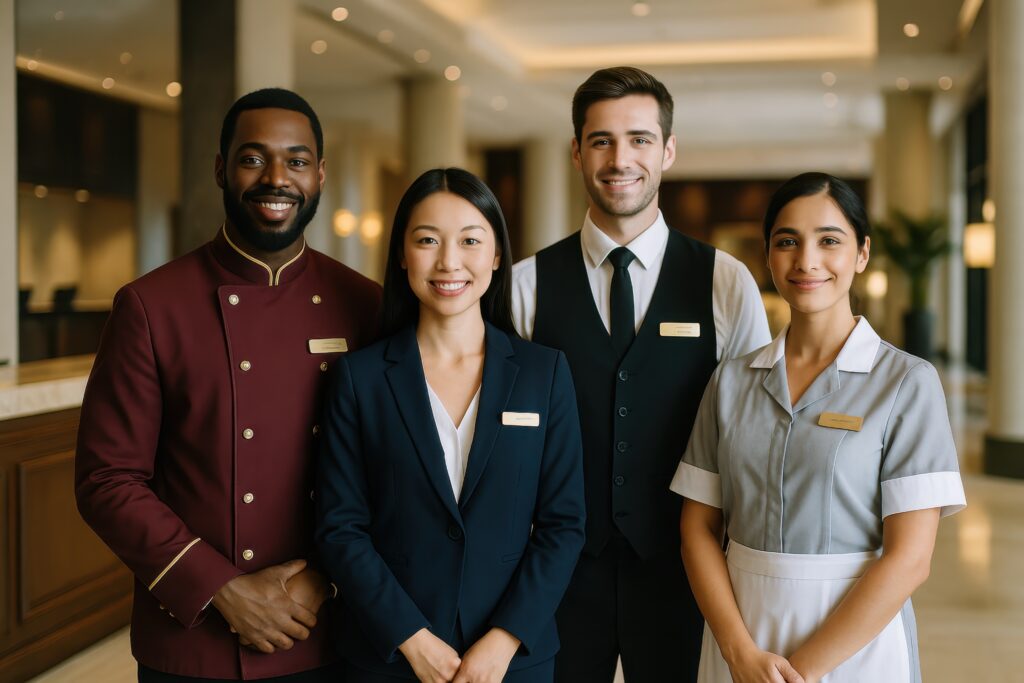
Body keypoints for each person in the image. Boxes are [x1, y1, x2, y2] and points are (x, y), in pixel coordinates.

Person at [75, 88, 382, 682]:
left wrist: (327, 577)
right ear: (220, 168)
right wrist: (222, 589)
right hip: (196, 643)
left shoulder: (365, 304)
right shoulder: (150, 305)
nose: (276, 178)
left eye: (296, 160)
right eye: (253, 158)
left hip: (329, 631)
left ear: (319, 174)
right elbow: (106, 479)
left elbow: (392, 469)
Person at [510, 66, 771, 681]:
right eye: (601, 140)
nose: (620, 159)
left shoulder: (725, 281)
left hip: (688, 570)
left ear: (668, 150)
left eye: (639, 139)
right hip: (558, 572)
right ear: (577, 153)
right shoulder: (525, 284)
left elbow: (752, 432)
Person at [674, 172, 967, 683]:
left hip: (857, 644)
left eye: (829, 241)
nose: (806, 261)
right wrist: (739, 654)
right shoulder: (731, 382)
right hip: (741, 636)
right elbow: (698, 529)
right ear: (768, 256)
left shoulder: (906, 383)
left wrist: (801, 672)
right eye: (787, 242)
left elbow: (910, 558)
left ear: (862, 254)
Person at [316, 167, 586, 683]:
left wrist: (504, 641)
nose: (449, 262)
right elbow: (340, 527)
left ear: (497, 254)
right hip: (389, 659)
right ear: (401, 254)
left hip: (513, 663)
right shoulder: (360, 377)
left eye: (470, 240)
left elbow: (563, 525)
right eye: (427, 240)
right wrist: (412, 640)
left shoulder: (544, 373)